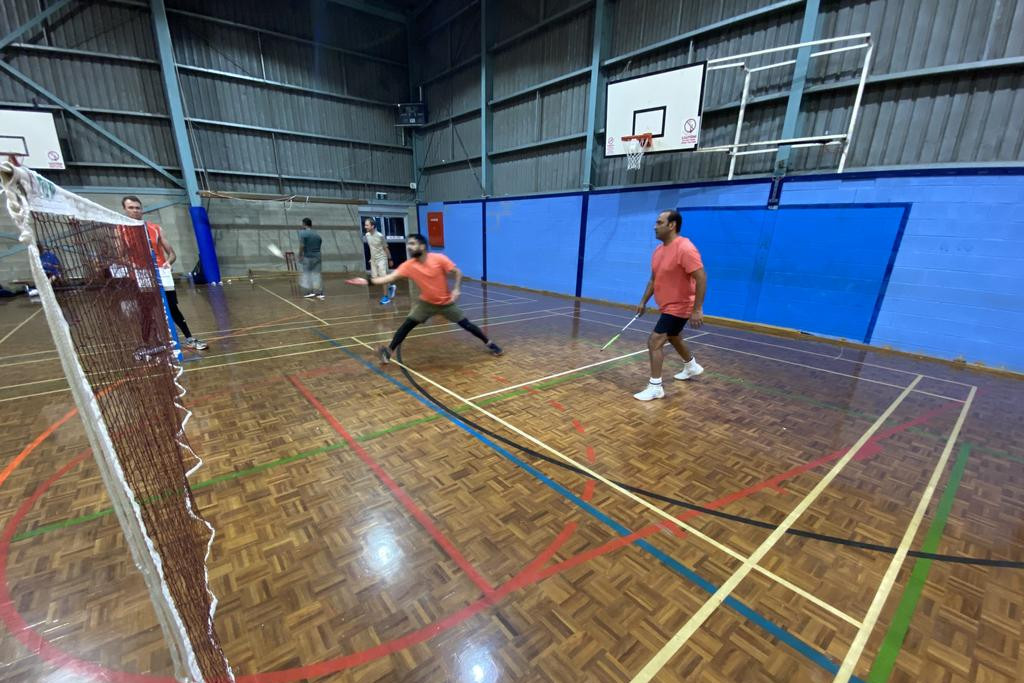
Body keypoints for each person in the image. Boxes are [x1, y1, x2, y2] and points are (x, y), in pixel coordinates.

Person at [346, 233, 503, 363]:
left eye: (412, 244)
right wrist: (366, 282)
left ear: (422, 246)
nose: (409, 247)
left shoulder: (439, 258)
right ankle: (388, 352)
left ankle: (490, 344)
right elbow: (389, 278)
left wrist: (456, 289)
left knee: (467, 325)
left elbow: (458, 272)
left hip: (446, 303)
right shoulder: (409, 265)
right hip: (426, 303)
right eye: (408, 244)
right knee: (406, 326)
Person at [633, 209, 706, 401]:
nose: (655, 227)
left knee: (654, 341)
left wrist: (697, 309)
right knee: (673, 336)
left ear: (672, 225)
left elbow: (701, 278)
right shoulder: (658, 251)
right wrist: (643, 301)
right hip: (667, 305)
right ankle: (691, 366)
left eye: (659, 223)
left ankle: (655, 387)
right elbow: (653, 279)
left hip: (681, 305)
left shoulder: (685, 248)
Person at [121, 196, 208, 350]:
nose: (135, 211)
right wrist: (131, 266)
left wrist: (168, 262)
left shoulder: (155, 228)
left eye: (137, 208)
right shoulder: (120, 230)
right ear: (125, 209)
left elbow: (172, 254)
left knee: (172, 307)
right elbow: (120, 256)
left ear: (141, 209)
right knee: (146, 311)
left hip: (162, 273)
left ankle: (189, 338)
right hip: (141, 275)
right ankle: (148, 344)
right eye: (131, 208)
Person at [363, 217, 396, 304]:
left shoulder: (380, 236)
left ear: (372, 226)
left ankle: (386, 297)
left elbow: (386, 248)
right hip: (373, 259)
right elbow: (372, 247)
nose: (365, 227)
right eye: (365, 225)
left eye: (367, 225)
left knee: (383, 278)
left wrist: (390, 259)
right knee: (375, 278)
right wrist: (371, 258)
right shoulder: (367, 235)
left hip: (382, 259)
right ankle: (390, 287)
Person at [297, 217, 324, 299]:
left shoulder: (302, 233)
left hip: (308, 257)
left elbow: (302, 245)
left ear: (304, 224)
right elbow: (320, 243)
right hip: (318, 257)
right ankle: (319, 293)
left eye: (302, 224)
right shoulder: (317, 234)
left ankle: (310, 292)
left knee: (307, 274)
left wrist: (300, 255)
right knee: (317, 275)